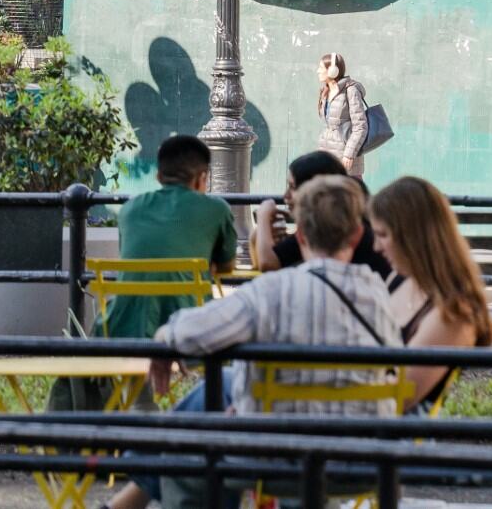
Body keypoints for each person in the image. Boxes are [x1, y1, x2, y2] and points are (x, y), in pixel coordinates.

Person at [109, 177, 399, 509]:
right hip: (364, 463)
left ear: (300, 234)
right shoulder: (379, 294)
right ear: (357, 234)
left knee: (188, 453)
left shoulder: (272, 292)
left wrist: (163, 340)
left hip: (274, 461)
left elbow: (191, 331)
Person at [369, 175, 492, 407]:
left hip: (397, 432)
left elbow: (399, 399)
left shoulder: (453, 313)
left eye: (383, 235)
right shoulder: (399, 279)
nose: (376, 247)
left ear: (414, 237)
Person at [99, 136, 236, 340]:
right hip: (189, 326)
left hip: (124, 327)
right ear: (202, 178)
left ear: (159, 177)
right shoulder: (217, 209)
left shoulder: (129, 210)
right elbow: (227, 265)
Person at [249, 150, 394, 280]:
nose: (286, 196)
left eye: (292, 187)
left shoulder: (328, 223)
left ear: (314, 189)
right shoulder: (346, 216)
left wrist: (263, 216)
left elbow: (268, 263)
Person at [316, 52, 371, 176]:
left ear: (333, 71)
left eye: (321, 68)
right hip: (327, 154)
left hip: (345, 156)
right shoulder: (326, 91)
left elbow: (360, 127)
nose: (318, 71)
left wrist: (349, 154)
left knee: (350, 193)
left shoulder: (350, 91)